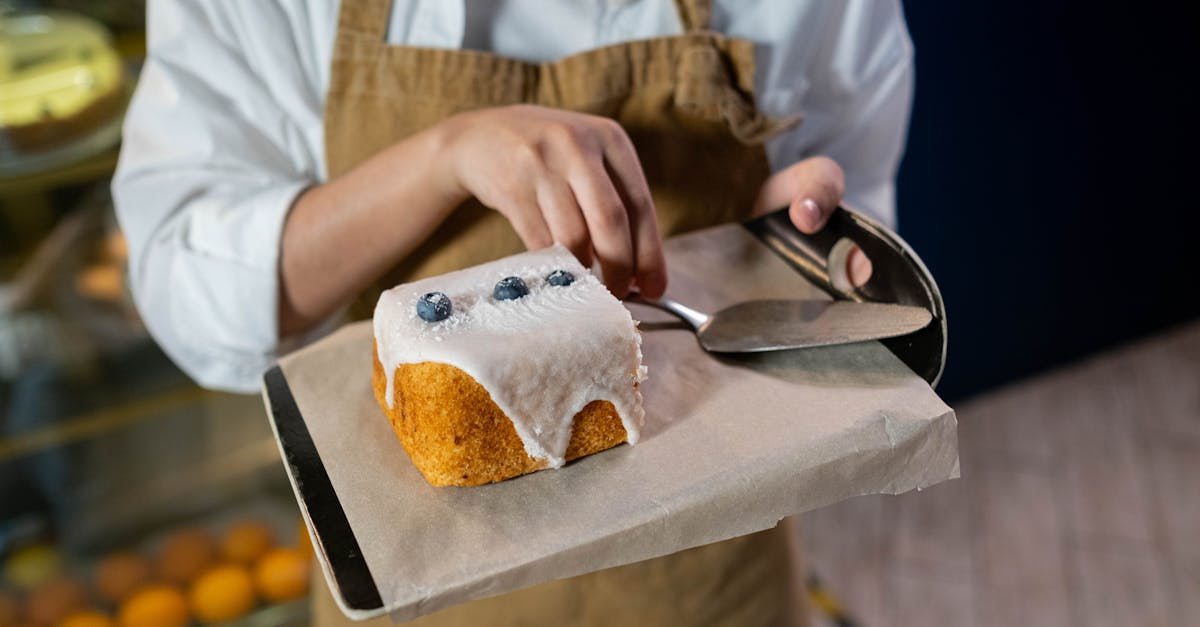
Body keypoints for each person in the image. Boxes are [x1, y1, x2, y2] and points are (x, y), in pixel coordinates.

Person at [113, 1, 914, 625]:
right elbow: (190, 291)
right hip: (413, 582)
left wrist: (778, 252)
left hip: (711, 584)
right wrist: (441, 157)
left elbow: (858, 182)